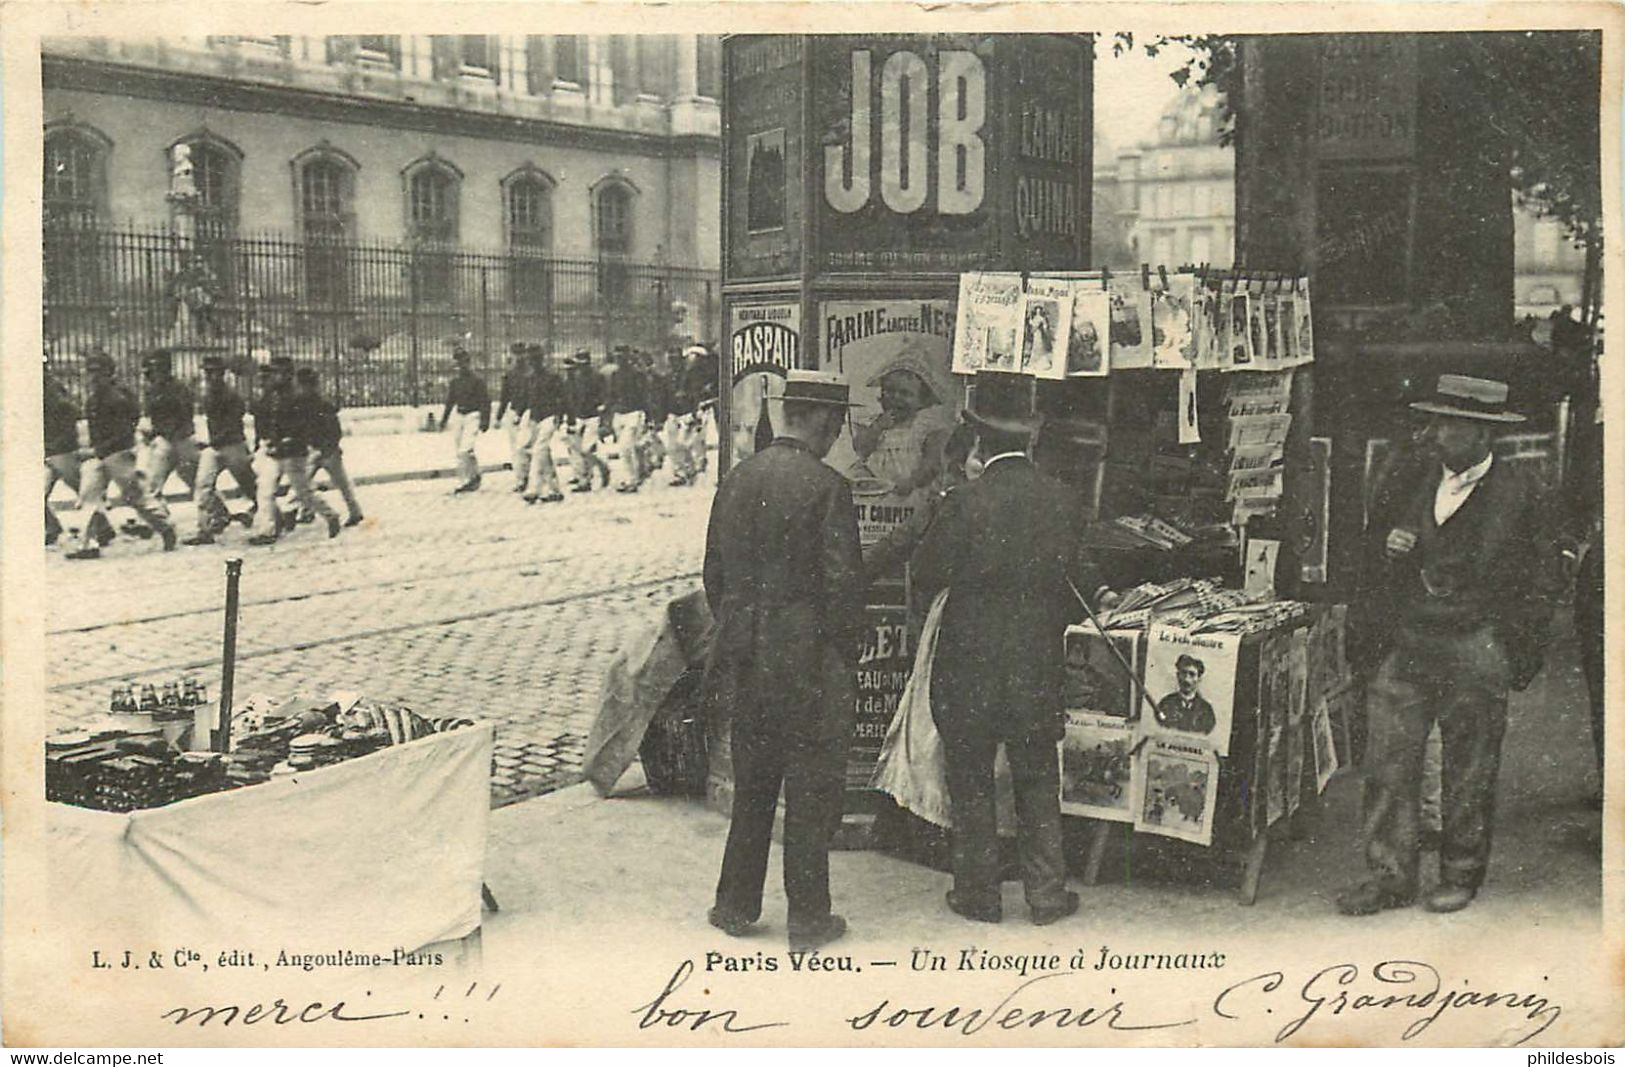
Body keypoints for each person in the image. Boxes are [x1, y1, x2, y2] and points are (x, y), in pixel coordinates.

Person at [1337, 375, 1562, 916]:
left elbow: (1544, 578)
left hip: (1475, 643)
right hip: (1407, 638)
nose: (1434, 434)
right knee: (1389, 761)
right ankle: (1389, 877)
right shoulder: (1407, 474)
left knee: (1471, 766)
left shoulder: (1523, 491)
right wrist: (1391, 548)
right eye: (1433, 422)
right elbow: (1370, 547)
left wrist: (1510, 650)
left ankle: (1460, 874)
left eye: (1448, 424)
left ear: (1483, 433)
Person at [908, 374, 1088, 925]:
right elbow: (1075, 588)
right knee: (1037, 775)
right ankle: (1047, 895)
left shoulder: (962, 503)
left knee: (971, 778)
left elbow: (927, 573)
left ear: (980, 445)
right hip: (1035, 660)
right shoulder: (1062, 500)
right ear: (1030, 442)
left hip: (970, 662)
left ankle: (979, 896)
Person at [704, 370, 865, 953]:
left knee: (753, 783)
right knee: (809, 789)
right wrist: (842, 650)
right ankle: (808, 919)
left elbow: (713, 576)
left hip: (747, 655)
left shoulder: (736, 480)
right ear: (824, 421)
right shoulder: (828, 488)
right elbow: (844, 588)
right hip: (807, 660)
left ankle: (734, 905)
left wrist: (742, 627)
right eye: (837, 426)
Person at [68, 350, 177, 558]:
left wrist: (96, 450)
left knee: (136, 498)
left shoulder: (119, 398)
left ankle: (165, 527)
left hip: (119, 454)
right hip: (99, 455)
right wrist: (94, 451)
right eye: (90, 372)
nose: (93, 377)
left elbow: (125, 432)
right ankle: (88, 544)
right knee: (88, 496)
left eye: (97, 372)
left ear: (109, 373)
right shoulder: (93, 400)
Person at [247, 357, 340, 545]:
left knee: (304, 492)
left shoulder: (299, 398)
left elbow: (305, 426)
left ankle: (331, 515)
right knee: (264, 490)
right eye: (273, 373)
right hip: (275, 452)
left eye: (279, 373)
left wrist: (290, 439)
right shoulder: (273, 396)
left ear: (288, 375)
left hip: (294, 453)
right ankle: (267, 530)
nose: (275, 376)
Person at [847, 349, 954, 508]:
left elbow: (931, 463)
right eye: (889, 391)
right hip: (875, 488)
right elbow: (861, 449)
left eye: (905, 393)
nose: (895, 398)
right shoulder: (875, 423)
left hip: (911, 490)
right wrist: (877, 428)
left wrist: (912, 483)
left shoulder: (925, 426)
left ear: (922, 401)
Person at [183, 354, 259, 545]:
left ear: (222, 374)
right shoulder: (208, 395)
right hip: (216, 446)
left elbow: (233, 424)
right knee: (202, 486)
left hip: (233, 445)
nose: (210, 377)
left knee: (250, 486)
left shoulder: (232, 396)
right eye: (207, 373)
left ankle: (274, 516)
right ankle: (204, 530)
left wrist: (214, 440)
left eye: (214, 373)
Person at [44, 357, 112, 549]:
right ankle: (51, 528)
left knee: (83, 492)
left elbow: (70, 412)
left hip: (61, 450)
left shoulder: (51, 389)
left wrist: (61, 438)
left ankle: (103, 527)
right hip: (50, 450)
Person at [296, 367, 363, 528]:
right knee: (305, 483)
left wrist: (327, 449)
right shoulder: (306, 404)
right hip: (314, 450)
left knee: (339, 483)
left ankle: (355, 512)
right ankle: (308, 511)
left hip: (326, 451)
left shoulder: (322, 405)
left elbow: (334, 431)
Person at [140, 349, 200, 518]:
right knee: (153, 480)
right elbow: (151, 415)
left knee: (196, 481)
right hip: (164, 441)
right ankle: (160, 516)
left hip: (183, 440)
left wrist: (166, 430)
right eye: (152, 370)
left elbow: (185, 415)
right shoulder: (151, 391)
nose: (154, 374)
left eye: (158, 369)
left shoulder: (180, 388)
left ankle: (218, 513)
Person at [440, 347, 490, 494]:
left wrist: (485, 421)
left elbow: (485, 401)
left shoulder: (477, 381)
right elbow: (450, 401)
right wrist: (444, 419)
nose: (461, 366)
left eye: (463, 362)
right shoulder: (455, 382)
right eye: (458, 363)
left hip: (473, 416)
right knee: (462, 451)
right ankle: (475, 475)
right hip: (459, 417)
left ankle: (465, 481)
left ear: (468, 363)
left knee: (465, 449)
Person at [521, 346, 565, 505]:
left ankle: (534, 488)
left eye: (535, 359)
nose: (533, 362)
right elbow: (527, 399)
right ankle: (554, 489)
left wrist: (562, 417)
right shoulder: (530, 378)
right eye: (531, 359)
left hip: (549, 416)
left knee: (538, 451)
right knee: (543, 453)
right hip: (535, 418)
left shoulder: (552, 377)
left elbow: (562, 398)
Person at [562, 350, 609, 492]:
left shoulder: (597, 377)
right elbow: (571, 400)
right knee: (576, 449)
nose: (582, 367)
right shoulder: (574, 379)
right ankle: (584, 479)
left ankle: (602, 466)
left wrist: (603, 412)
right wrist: (570, 418)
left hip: (593, 416)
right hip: (578, 416)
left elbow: (604, 395)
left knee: (587, 449)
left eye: (584, 364)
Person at [495, 342, 533, 494]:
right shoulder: (509, 374)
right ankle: (521, 478)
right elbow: (505, 396)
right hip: (514, 411)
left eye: (522, 353)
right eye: (516, 353)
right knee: (516, 448)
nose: (519, 357)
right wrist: (499, 416)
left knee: (525, 446)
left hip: (529, 412)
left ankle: (531, 475)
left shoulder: (531, 373)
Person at [1154, 654, 1217, 734]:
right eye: (1183, 673)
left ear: (1199, 679)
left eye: (1192, 674)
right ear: (1177, 675)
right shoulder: (1165, 704)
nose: (1186, 679)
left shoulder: (1206, 710)